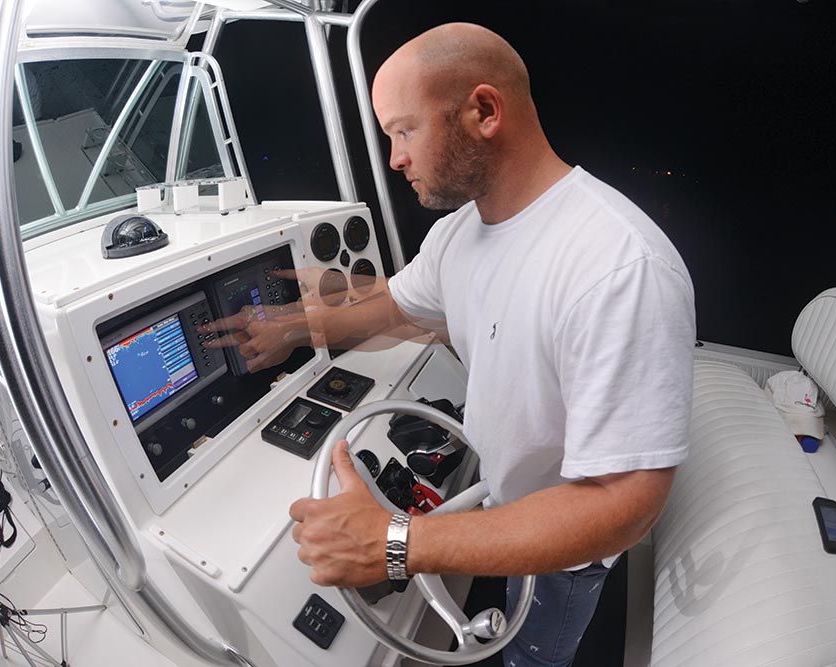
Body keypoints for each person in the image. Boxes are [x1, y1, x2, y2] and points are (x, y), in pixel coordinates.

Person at [216, 22, 696, 667]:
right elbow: (391, 303)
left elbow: (625, 505)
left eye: (403, 131)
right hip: (506, 502)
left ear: (483, 111)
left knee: (530, 655)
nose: (394, 160)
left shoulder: (616, 269)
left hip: (567, 552)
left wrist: (392, 543)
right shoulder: (460, 233)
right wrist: (290, 329)